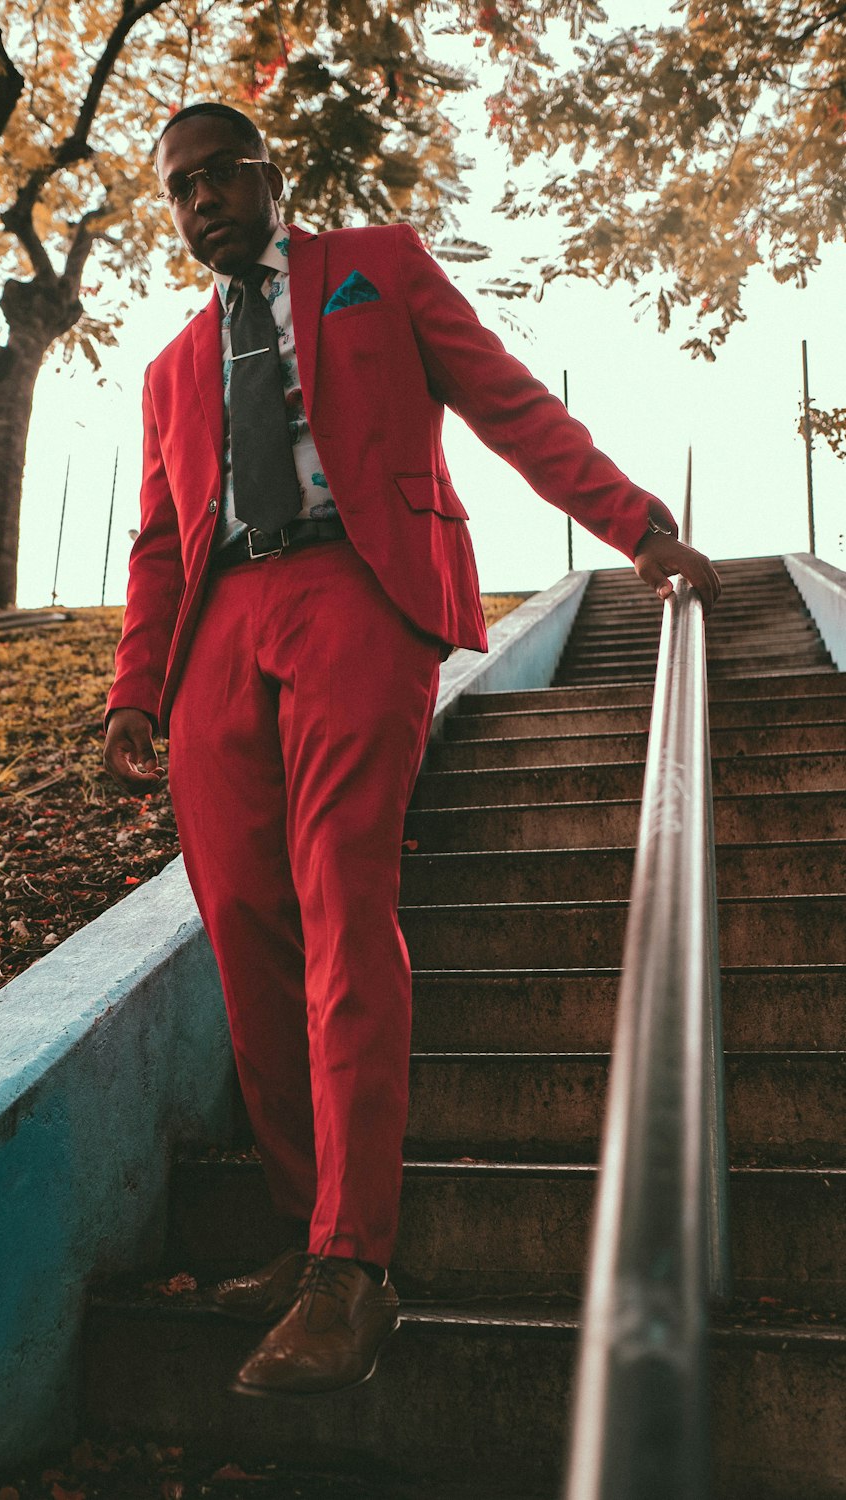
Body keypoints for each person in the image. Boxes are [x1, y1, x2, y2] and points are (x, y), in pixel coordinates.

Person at [103, 100, 721, 1399]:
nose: (203, 200)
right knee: (246, 932)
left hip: (355, 592)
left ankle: (355, 1269)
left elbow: (509, 406)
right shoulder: (167, 370)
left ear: (272, 176)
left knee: (341, 903)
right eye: (180, 189)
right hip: (219, 631)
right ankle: (299, 1219)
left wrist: (637, 524)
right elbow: (160, 544)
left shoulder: (374, 269)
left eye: (222, 174)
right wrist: (135, 696)